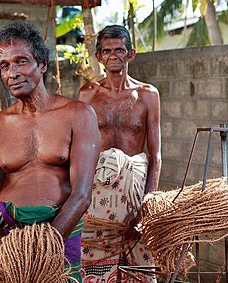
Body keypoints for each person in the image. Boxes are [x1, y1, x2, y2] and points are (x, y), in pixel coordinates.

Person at [0, 21, 101, 283]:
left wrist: (44, 248)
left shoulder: (78, 115)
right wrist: (6, 254)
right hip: (8, 236)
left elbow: (81, 195)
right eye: (5, 66)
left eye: (21, 61)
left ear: (42, 64)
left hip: (60, 233)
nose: (12, 73)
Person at [78, 24, 161, 283]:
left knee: (140, 261)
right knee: (93, 259)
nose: (113, 55)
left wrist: (147, 206)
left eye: (119, 50)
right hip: (96, 196)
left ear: (131, 54)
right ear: (98, 56)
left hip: (133, 193)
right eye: (107, 50)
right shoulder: (87, 94)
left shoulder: (148, 95)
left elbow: (155, 154)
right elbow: (80, 148)